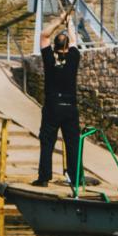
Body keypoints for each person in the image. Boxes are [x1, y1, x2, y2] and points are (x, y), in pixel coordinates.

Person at [35, 21, 81, 187]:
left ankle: (44, 178)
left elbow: (44, 35)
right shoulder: (74, 57)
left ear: (54, 47)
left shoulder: (49, 59)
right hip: (70, 106)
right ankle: (75, 178)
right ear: (67, 47)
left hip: (53, 105)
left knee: (47, 142)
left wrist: (60, 19)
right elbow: (75, 40)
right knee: (73, 143)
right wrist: (69, 24)